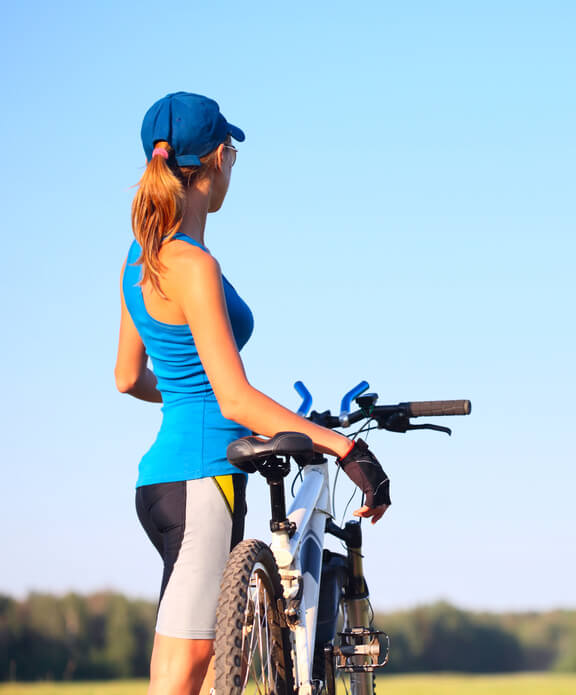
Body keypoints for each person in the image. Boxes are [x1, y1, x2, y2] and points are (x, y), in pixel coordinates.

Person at [114, 92, 391, 695]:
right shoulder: (191, 265)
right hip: (204, 479)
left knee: (214, 672)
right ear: (216, 159)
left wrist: (194, 395)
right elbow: (235, 399)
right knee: (179, 678)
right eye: (231, 153)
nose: (231, 164)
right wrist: (344, 447)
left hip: (161, 483)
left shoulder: (140, 260)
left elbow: (129, 378)